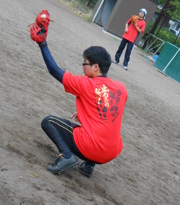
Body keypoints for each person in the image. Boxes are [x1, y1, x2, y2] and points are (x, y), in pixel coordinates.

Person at [29, 10, 128, 177]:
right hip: (111, 152)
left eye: (86, 63)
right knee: (98, 130)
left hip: (91, 147)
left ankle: (67, 156)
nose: (83, 65)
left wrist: (42, 44)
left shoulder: (86, 84)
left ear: (96, 67)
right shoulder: (121, 89)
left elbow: (54, 70)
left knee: (49, 121)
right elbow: (107, 109)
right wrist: (87, 113)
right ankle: (89, 166)